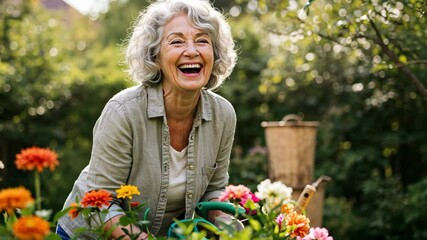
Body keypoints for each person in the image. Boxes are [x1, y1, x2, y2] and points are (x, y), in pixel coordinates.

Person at [56, 0, 240, 239]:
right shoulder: (123, 112)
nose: (192, 51)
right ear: (155, 56)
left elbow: (214, 191)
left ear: (214, 54)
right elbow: (100, 203)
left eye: (202, 40)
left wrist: (230, 226)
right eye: (176, 41)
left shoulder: (223, 115)